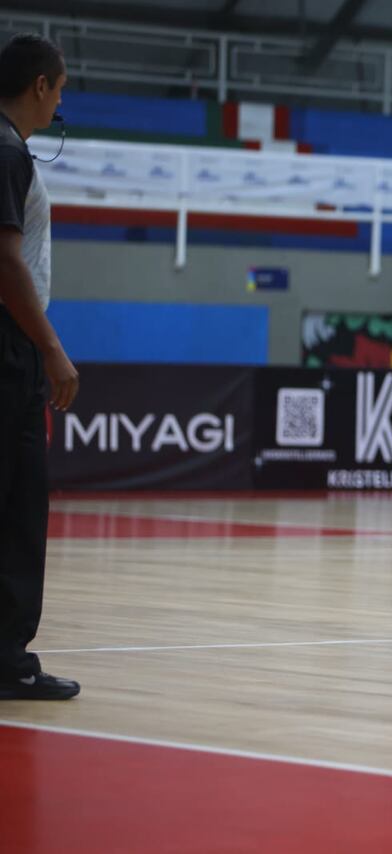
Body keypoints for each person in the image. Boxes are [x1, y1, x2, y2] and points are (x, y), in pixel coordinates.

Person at [0, 34, 80, 701]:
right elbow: (5, 261)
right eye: (61, 86)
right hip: (9, 348)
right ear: (39, 86)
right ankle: (8, 661)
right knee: (18, 508)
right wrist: (49, 346)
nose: (62, 98)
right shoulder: (5, 152)